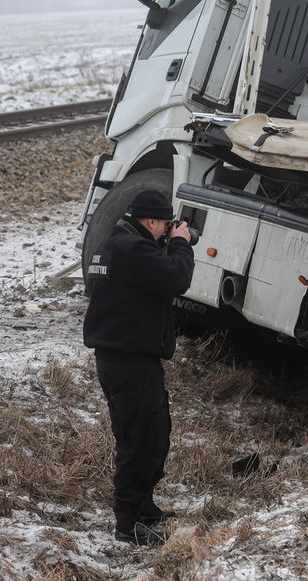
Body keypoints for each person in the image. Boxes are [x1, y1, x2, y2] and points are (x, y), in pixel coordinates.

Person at [84, 190, 195, 546]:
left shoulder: (115, 245)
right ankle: (128, 523)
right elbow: (177, 278)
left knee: (155, 436)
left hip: (126, 359)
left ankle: (144, 507)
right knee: (137, 442)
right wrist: (181, 244)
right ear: (150, 221)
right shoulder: (133, 250)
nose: (166, 231)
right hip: (129, 362)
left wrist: (168, 244)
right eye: (164, 225)